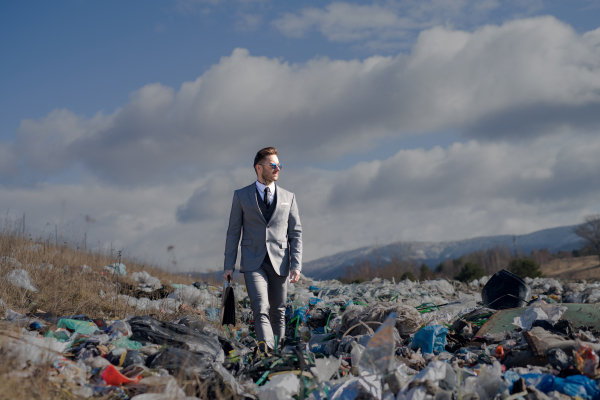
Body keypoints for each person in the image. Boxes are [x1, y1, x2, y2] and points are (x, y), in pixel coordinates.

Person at [223, 147, 302, 350]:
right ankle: (266, 350)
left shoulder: (288, 197)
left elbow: (295, 233)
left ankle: (279, 352)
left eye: (279, 165)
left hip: (281, 261)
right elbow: (233, 231)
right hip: (252, 261)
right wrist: (229, 265)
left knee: (278, 311)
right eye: (272, 165)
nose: (277, 169)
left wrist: (296, 264)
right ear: (259, 168)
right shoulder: (241, 196)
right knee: (260, 307)